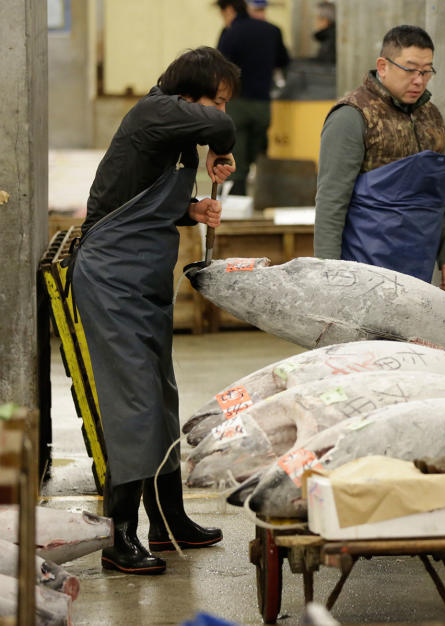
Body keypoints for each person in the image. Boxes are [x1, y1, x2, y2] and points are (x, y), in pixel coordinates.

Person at [72, 47, 238, 575]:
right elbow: (220, 125)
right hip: (110, 280)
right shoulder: (154, 112)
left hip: (144, 283)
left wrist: (191, 210)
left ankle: (168, 522)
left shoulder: (176, 138)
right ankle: (119, 537)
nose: (219, 111)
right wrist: (222, 141)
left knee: (161, 399)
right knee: (134, 405)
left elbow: (142, 199)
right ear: (188, 94)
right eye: (215, 99)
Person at [313, 25, 445, 292]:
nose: (419, 80)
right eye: (410, 69)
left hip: (419, 260)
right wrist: (328, 269)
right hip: (366, 263)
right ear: (383, 66)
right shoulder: (352, 116)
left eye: (426, 71)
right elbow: (331, 197)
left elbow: (440, 190)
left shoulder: (430, 115)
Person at [216, 0, 290, 195]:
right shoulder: (273, 31)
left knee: (237, 156)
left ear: (230, 10)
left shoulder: (230, 32)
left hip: (237, 103)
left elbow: (218, 67)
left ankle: (238, 196)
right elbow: (283, 61)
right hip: (263, 104)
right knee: (259, 149)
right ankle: (265, 192)